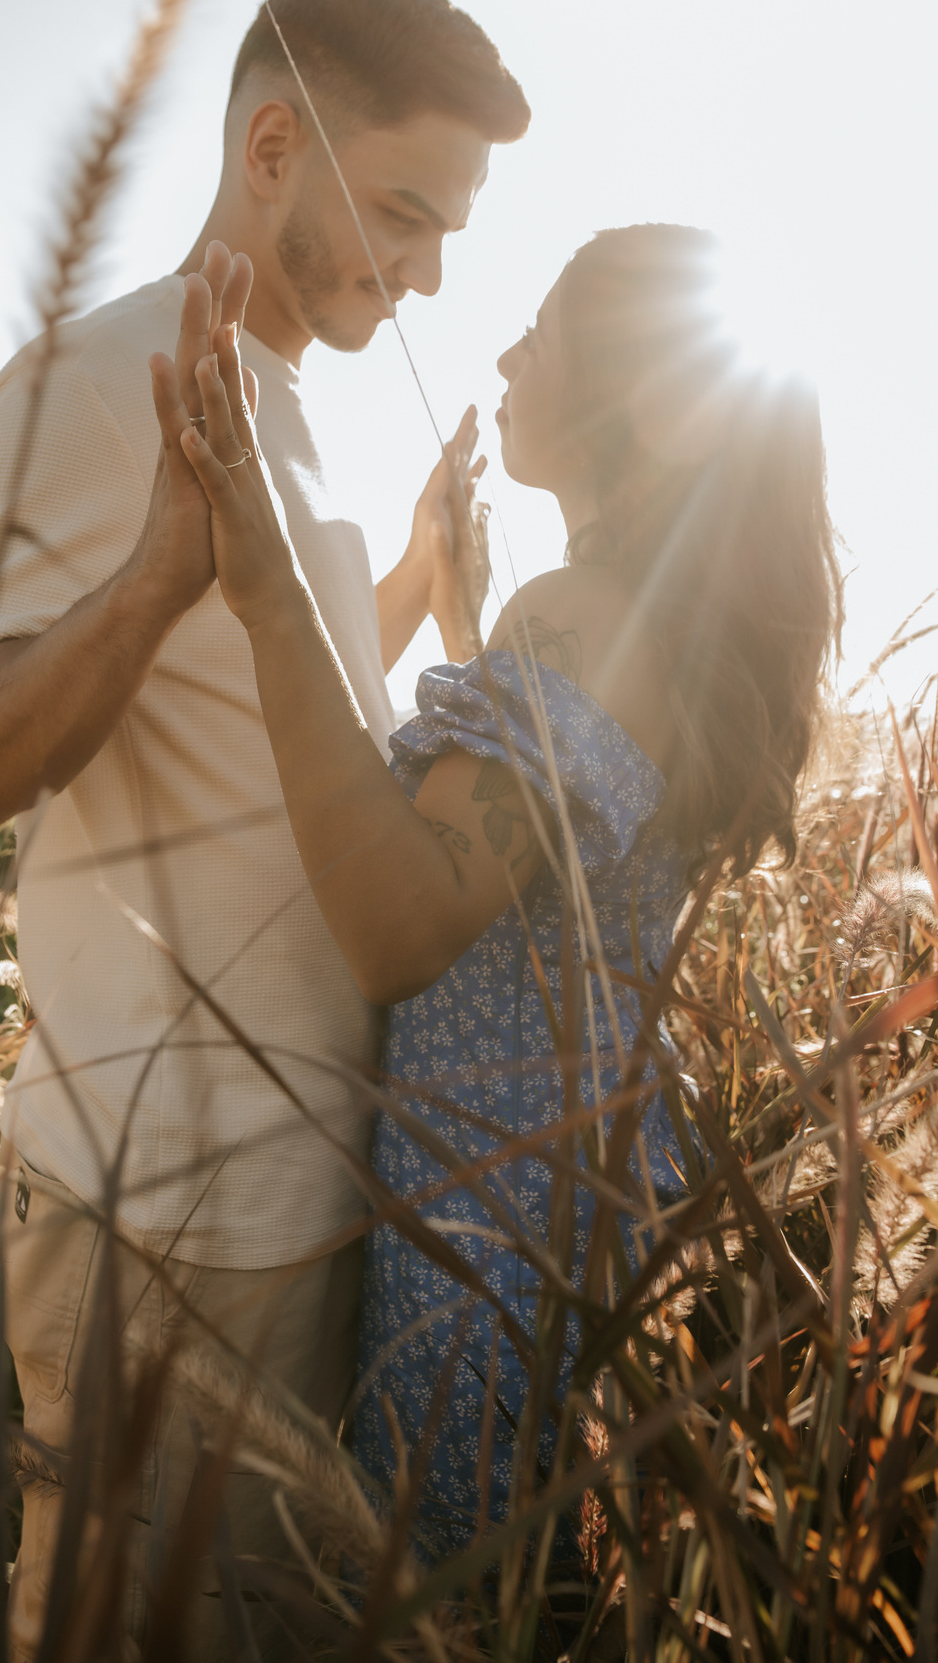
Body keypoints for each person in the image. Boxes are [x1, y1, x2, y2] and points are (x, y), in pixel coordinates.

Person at [0, 0, 528, 1656]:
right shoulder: (101, 380)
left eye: (450, 230)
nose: (427, 272)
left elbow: (265, 699)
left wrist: (410, 576)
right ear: (272, 141)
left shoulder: (297, 412)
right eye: (406, 211)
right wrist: (154, 572)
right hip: (160, 1227)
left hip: (312, 1193)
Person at [151, 221, 844, 1561]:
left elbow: (402, 928)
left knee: (430, 1599)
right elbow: (552, 867)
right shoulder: (651, 617)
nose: (508, 354)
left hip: (480, 1242)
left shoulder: (587, 613)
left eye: (546, 332)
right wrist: (464, 614)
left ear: (659, 408)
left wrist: (270, 588)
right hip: (567, 1217)